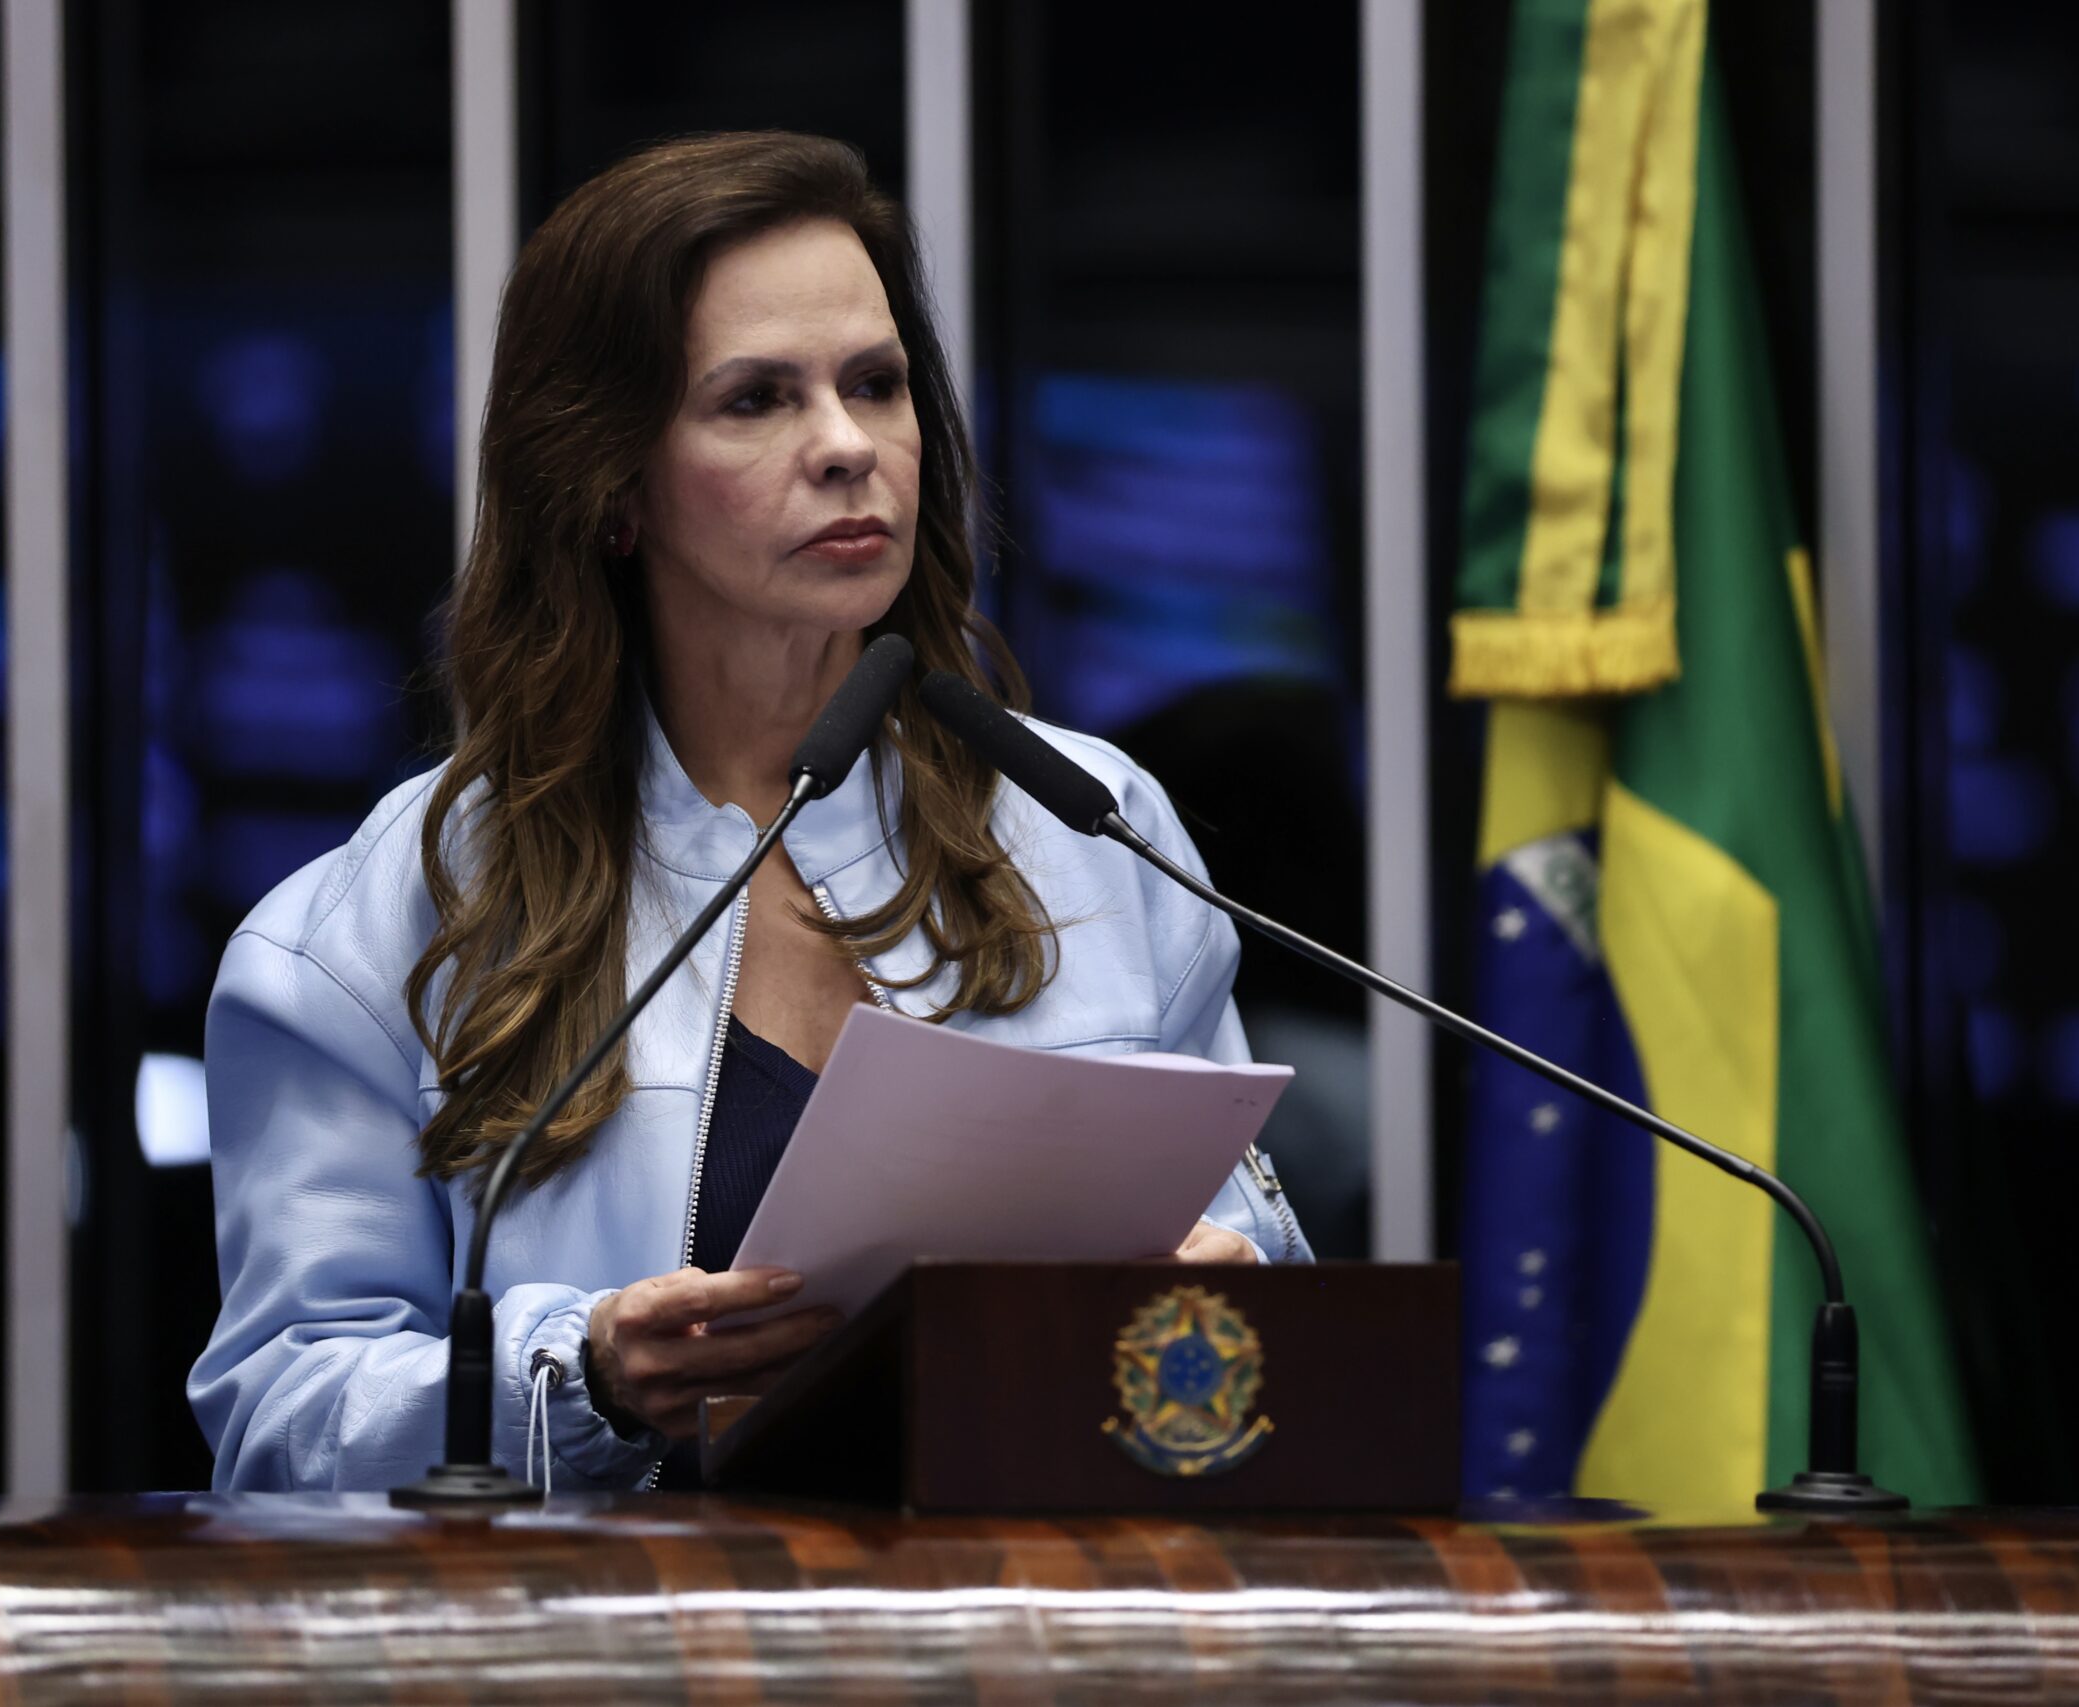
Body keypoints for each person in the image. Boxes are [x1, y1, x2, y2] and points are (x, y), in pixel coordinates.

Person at [187, 131, 1313, 1495]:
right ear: (610, 483)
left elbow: (1258, 1307)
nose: (846, 447)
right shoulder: (377, 922)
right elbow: (281, 1416)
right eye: (757, 400)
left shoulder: (1087, 828)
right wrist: (585, 1375)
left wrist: (1224, 1292)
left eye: (876, 385)